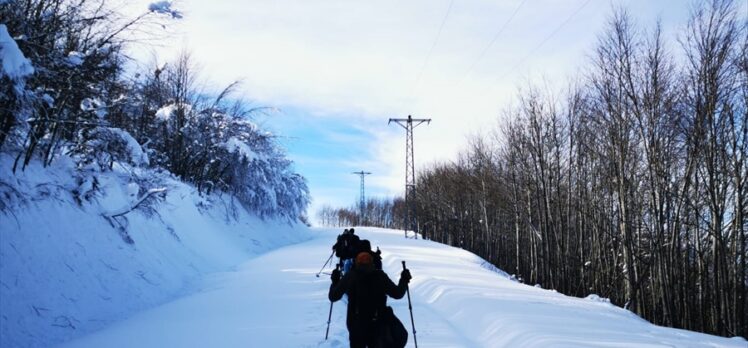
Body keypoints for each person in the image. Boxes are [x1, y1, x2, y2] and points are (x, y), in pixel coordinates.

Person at [329, 252, 412, 347]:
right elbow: (398, 293)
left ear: (356, 262)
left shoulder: (351, 276)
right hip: (378, 324)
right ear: (372, 263)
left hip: (356, 325)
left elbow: (333, 296)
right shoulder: (380, 276)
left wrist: (335, 282)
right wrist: (404, 280)